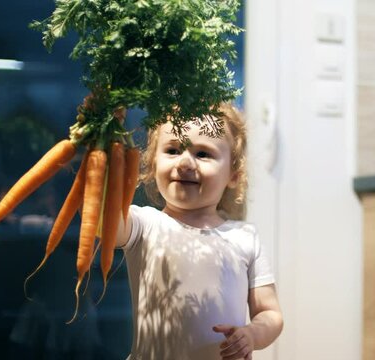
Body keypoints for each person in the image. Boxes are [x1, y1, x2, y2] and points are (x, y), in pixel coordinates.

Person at [115, 103, 283, 360]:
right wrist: (105, 150)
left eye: (203, 154)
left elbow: (270, 314)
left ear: (233, 175)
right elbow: (104, 224)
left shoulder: (244, 237)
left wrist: (251, 334)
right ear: (152, 162)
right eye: (172, 150)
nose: (184, 162)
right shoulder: (143, 224)